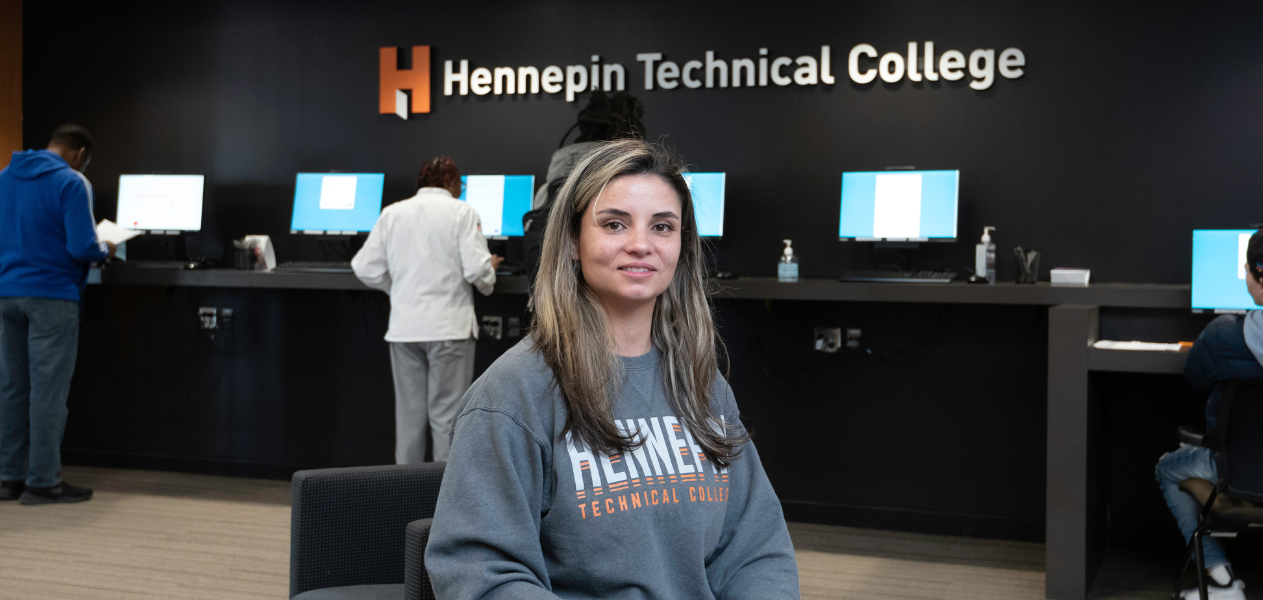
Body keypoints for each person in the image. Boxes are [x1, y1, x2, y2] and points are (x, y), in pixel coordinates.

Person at [425, 139, 799, 599]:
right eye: (614, 224)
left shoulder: (701, 384)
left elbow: (755, 548)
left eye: (662, 227)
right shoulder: (511, 396)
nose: (641, 244)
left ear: (681, 247)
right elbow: (481, 576)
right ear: (571, 243)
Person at [352, 156, 503, 464]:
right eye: (459, 184)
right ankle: (442, 500)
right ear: (450, 183)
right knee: (447, 418)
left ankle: (405, 497)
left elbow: (364, 267)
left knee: (408, 419)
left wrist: (397, 288)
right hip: (449, 329)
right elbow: (476, 272)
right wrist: (490, 269)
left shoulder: (392, 213)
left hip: (405, 330)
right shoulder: (462, 211)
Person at [0, 124, 116, 505]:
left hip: (6, 295)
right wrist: (106, 247)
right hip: (52, 297)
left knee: (11, 390)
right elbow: (83, 246)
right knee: (48, 393)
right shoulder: (72, 182)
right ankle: (43, 482)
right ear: (80, 153)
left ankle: (7, 478)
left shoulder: (5, 176)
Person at [1156, 230, 1263, 600]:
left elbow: (1195, 378)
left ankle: (1222, 584)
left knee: (1167, 467)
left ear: (1253, 274)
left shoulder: (1223, 336)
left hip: (1236, 469)